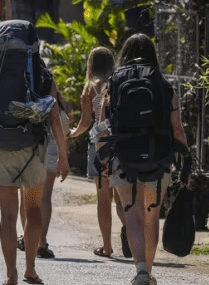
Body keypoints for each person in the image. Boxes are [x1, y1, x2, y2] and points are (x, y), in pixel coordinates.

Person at [0, 22, 70, 285]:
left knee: (7, 214)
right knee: (34, 208)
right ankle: (30, 269)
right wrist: (63, 155)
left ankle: (10, 274)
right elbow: (55, 117)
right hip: (33, 146)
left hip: (1, 145)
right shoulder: (42, 72)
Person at [98, 33, 189, 285]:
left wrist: (104, 160)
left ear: (123, 54)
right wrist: (186, 161)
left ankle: (139, 270)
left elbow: (102, 127)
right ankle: (148, 273)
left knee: (132, 215)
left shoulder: (113, 83)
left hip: (122, 157)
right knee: (151, 216)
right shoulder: (163, 84)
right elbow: (177, 128)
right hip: (158, 159)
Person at [68, 46, 128, 259]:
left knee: (104, 198)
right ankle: (134, 233)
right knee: (122, 198)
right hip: (122, 144)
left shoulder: (90, 88)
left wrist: (71, 133)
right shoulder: (119, 82)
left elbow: (85, 123)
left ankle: (107, 247)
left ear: (91, 65)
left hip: (100, 143)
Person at [17, 89, 70, 259]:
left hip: (30, 145)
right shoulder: (51, 89)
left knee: (27, 196)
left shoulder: (24, 84)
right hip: (52, 146)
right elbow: (60, 126)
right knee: (45, 197)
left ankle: (27, 237)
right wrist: (64, 156)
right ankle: (41, 242)